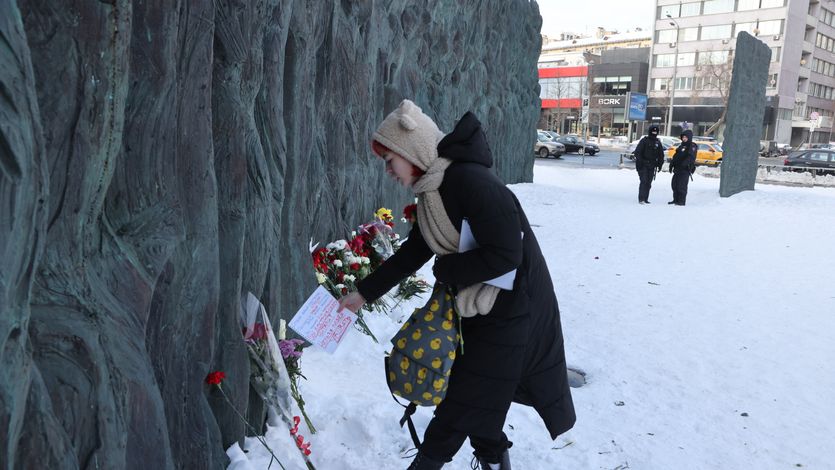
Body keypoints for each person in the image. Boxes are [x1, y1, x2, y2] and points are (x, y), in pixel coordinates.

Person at [338, 100, 576, 470]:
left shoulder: (470, 182)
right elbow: (414, 251)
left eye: (390, 161)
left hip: (512, 313)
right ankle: (494, 460)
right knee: (478, 401)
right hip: (479, 311)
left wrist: (448, 270)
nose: (388, 171)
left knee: (459, 408)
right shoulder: (435, 192)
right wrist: (363, 294)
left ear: (410, 151)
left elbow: (506, 255)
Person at [632, 125, 665, 204]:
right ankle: (641, 199)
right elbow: (637, 152)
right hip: (643, 165)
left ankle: (646, 198)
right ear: (650, 132)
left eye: (655, 132)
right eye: (653, 131)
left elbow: (661, 155)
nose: (654, 133)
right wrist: (642, 162)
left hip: (652, 165)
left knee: (648, 183)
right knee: (644, 181)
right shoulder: (644, 140)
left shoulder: (658, 142)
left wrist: (660, 165)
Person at [668, 129, 698, 206]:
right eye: (683, 137)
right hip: (677, 169)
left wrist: (683, 164)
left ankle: (681, 201)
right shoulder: (681, 146)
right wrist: (672, 164)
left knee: (681, 186)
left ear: (689, 137)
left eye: (686, 137)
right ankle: (675, 199)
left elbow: (691, 157)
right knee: (674, 184)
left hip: (685, 169)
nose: (684, 138)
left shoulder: (692, 146)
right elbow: (676, 156)